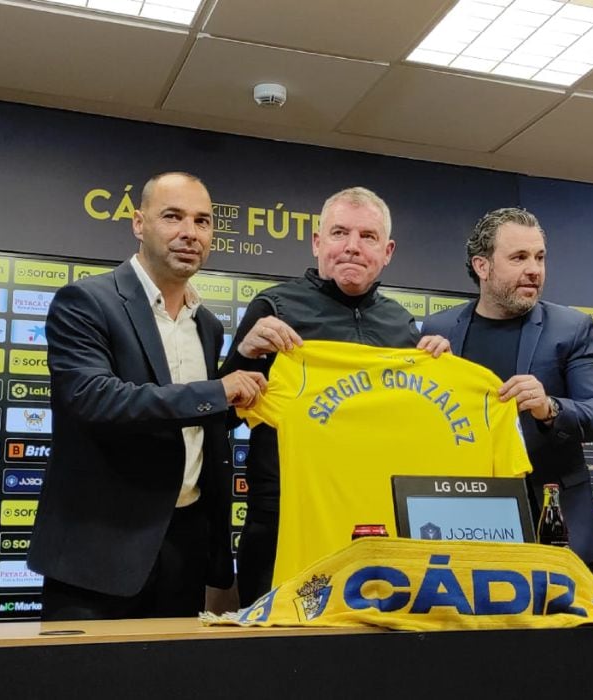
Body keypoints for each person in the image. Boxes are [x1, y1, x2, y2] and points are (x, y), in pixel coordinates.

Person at [28, 172, 267, 620]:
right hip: (97, 553)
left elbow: (203, 419)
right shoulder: (86, 301)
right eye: (172, 217)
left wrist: (246, 365)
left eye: (202, 221)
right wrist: (219, 389)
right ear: (139, 224)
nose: (189, 233)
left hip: (186, 548)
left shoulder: (207, 325)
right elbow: (96, 400)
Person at [221, 186, 449, 606]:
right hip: (286, 517)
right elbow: (221, 418)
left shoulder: (402, 325)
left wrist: (440, 375)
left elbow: (416, 427)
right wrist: (243, 356)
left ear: (388, 251)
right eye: (340, 233)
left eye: (368, 237)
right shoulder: (273, 307)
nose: (352, 248)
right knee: (272, 654)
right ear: (317, 241)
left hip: (375, 520)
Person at [421, 207, 593, 567]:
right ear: (482, 266)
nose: (534, 270)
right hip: (466, 517)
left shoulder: (570, 327)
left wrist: (549, 408)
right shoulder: (439, 329)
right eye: (519, 257)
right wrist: (427, 376)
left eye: (540, 257)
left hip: (552, 519)